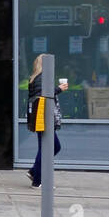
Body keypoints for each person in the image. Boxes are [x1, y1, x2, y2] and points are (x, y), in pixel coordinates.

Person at [26, 56, 67, 188]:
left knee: (48, 147)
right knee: (51, 147)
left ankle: (34, 172)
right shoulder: (41, 77)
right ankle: (37, 180)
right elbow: (45, 95)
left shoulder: (36, 77)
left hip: (42, 117)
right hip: (43, 117)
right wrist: (60, 89)